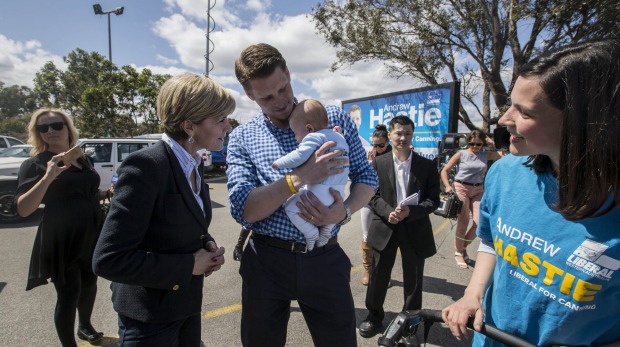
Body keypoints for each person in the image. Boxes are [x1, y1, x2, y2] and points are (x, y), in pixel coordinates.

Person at [442, 39, 620, 347]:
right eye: (510, 104)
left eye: (524, 112)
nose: (504, 120)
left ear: (582, 124)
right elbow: (491, 242)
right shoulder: (505, 173)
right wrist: (472, 294)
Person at [228, 43, 378, 347]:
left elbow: (368, 178)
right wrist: (300, 178)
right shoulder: (243, 137)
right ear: (249, 95)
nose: (280, 101)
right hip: (266, 262)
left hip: (324, 258)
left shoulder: (332, 118)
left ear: (288, 73)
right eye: (266, 97)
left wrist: (344, 211)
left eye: (283, 88)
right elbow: (244, 209)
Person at [92, 73, 232, 346]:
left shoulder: (193, 163)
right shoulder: (146, 166)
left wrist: (205, 242)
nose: (228, 127)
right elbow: (108, 259)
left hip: (186, 305)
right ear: (190, 126)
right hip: (149, 319)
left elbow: (176, 223)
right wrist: (190, 264)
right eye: (221, 120)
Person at [14, 109, 112, 346]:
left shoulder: (82, 158)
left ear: (68, 128)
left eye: (56, 125)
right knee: (69, 294)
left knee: (89, 285)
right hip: (62, 239)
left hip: (90, 232)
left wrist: (107, 193)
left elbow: (85, 194)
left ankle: (85, 327)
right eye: (43, 128)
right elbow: (23, 208)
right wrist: (48, 177)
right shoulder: (35, 163)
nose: (50, 131)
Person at [359, 115, 440, 338]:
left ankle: (410, 323)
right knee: (378, 276)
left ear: (412, 135)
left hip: (414, 227)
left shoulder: (426, 165)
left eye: (407, 133)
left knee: (413, 279)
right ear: (391, 135)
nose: (403, 137)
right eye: (398, 133)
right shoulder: (378, 163)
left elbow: (434, 199)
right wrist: (388, 211)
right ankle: (374, 317)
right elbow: (370, 195)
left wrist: (411, 212)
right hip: (386, 225)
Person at [272, 99, 350, 250]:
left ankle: (310, 233)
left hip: (321, 189)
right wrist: (338, 133)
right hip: (339, 190)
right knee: (332, 210)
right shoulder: (338, 136)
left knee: (290, 207)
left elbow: (299, 155)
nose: (295, 138)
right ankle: (327, 230)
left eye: (295, 133)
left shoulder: (314, 137)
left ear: (309, 128)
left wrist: (279, 163)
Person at [440, 130, 501, 269]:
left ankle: (463, 246)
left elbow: (506, 154)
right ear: (468, 142)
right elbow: (445, 170)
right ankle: (458, 252)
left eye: (478, 144)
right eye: (472, 143)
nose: (475, 146)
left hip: (478, 189)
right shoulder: (461, 154)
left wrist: (493, 144)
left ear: (483, 143)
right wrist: (448, 186)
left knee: (480, 222)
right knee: (463, 221)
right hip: (461, 187)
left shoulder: (486, 154)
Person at [360, 124, 392, 285]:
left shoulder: (394, 156)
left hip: (386, 202)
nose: (378, 148)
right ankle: (368, 269)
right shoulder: (370, 156)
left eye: (381, 145)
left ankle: (384, 273)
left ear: (388, 142)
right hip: (369, 200)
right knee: (366, 237)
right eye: (375, 145)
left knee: (385, 238)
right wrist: (370, 162)